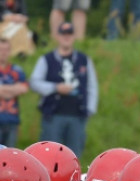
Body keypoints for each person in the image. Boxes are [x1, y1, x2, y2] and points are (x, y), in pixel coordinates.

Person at [30, 23, 98, 159]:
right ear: (58, 36)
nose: (66, 37)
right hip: (53, 115)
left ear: (74, 37)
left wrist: (90, 109)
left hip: (77, 115)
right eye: (63, 34)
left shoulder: (84, 60)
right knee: (50, 155)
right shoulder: (46, 59)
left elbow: (92, 85)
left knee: (74, 156)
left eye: (69, 34)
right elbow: (34, 82)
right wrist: (55, 87)